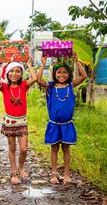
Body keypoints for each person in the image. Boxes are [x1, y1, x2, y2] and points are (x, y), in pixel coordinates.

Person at [36, 53, 87, 184]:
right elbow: (38, 80)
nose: (62, 75)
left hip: (67, 124)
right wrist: (43, 64)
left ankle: (66, 174)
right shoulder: (50, 87)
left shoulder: (71, 86)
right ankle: (54, 174)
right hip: (54, 124)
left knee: (66, 148)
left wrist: (77, 61)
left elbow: (84, 76)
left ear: (69, 74)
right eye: (59, 72)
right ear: (54, 74)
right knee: (54, 148)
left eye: (65, 72)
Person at [0, 58, 37, 184]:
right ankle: (14, 171)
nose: (14, 74)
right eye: (11, 71)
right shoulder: (5, 87)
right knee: (12, 147)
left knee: (23, 149)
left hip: (22, 122)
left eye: (18, 71)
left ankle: (21, 168)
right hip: (10, 122)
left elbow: (34, 79)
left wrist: (28, 65)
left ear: (21, 74)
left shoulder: (23, 86)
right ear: (7, 74)